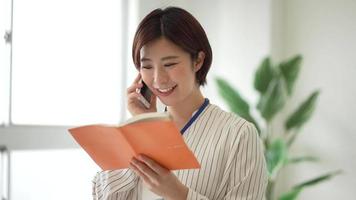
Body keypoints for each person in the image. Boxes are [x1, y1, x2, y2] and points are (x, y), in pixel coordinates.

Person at [92, 6, 267, 200]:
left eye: (170, 64)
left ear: (198, 60)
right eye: (147, 66)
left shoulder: (239, 135)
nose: (158, 79)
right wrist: (144, 125)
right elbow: (104, 195)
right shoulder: (134, 133)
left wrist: (179, 194)